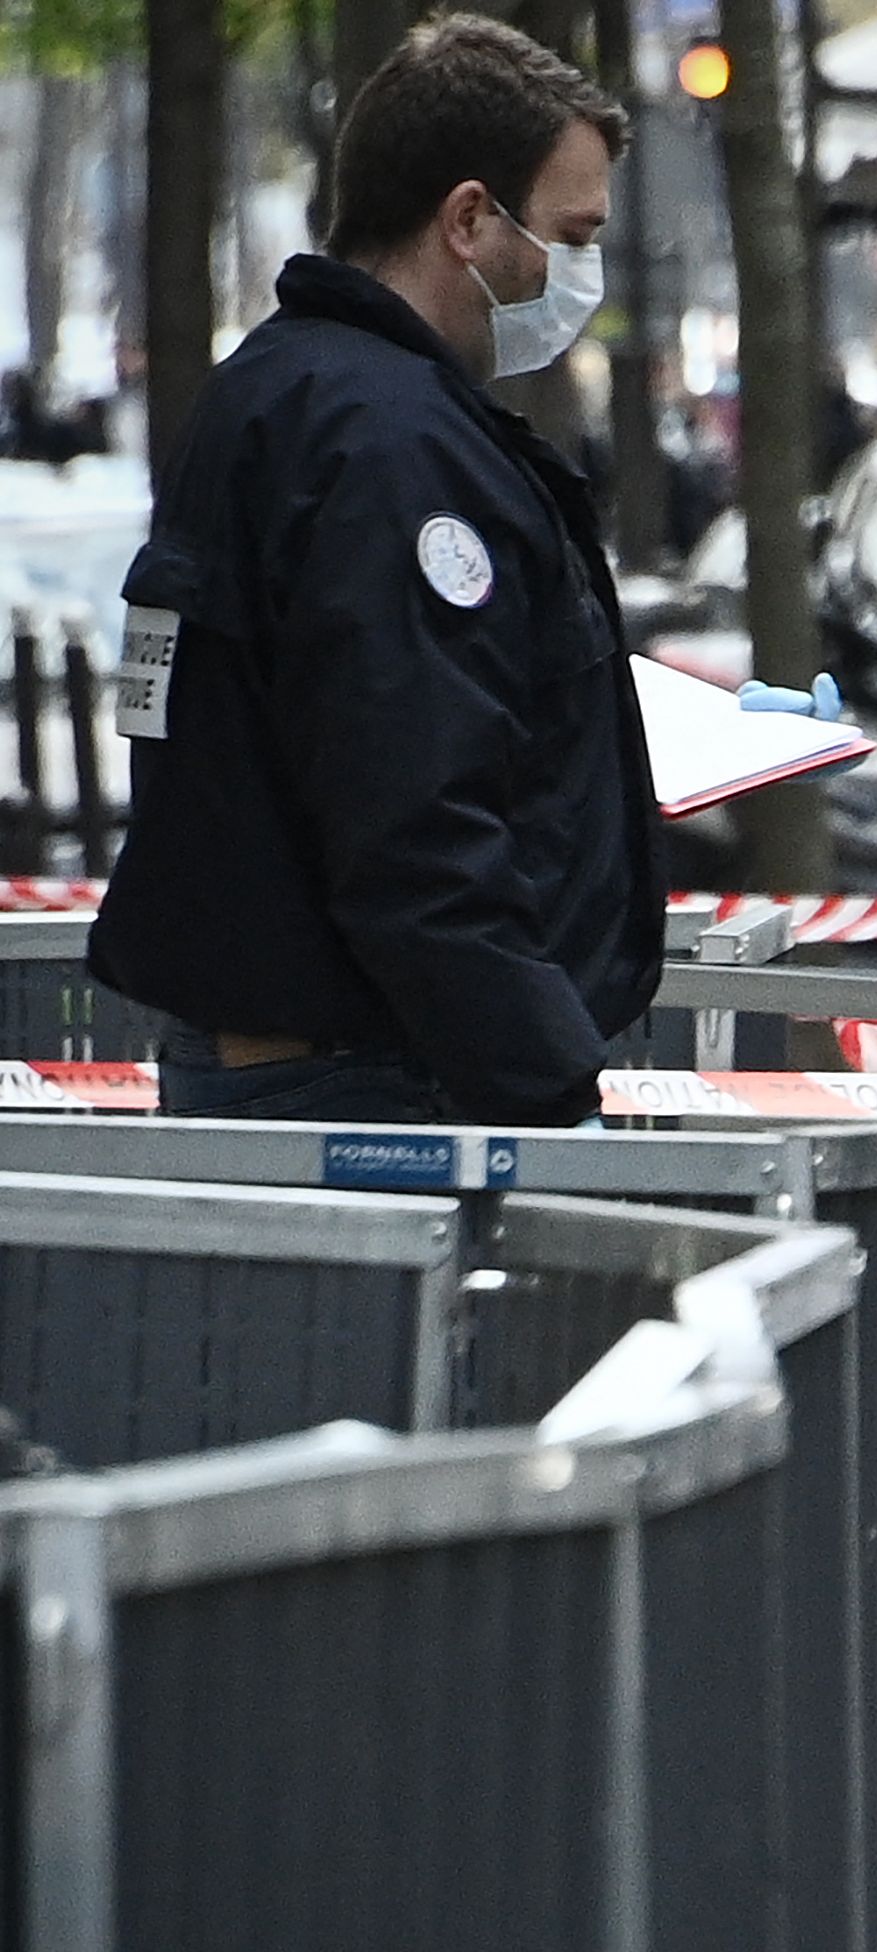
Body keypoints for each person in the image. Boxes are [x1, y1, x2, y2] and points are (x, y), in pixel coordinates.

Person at [93, 14, 661, 1127]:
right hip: (370, 1079)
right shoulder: (392, 450)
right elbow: (417, 817)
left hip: (301, 1055)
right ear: (467, 220)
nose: (578, 271)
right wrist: (547, 1083)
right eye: (570, 233)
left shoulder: (280, 391)